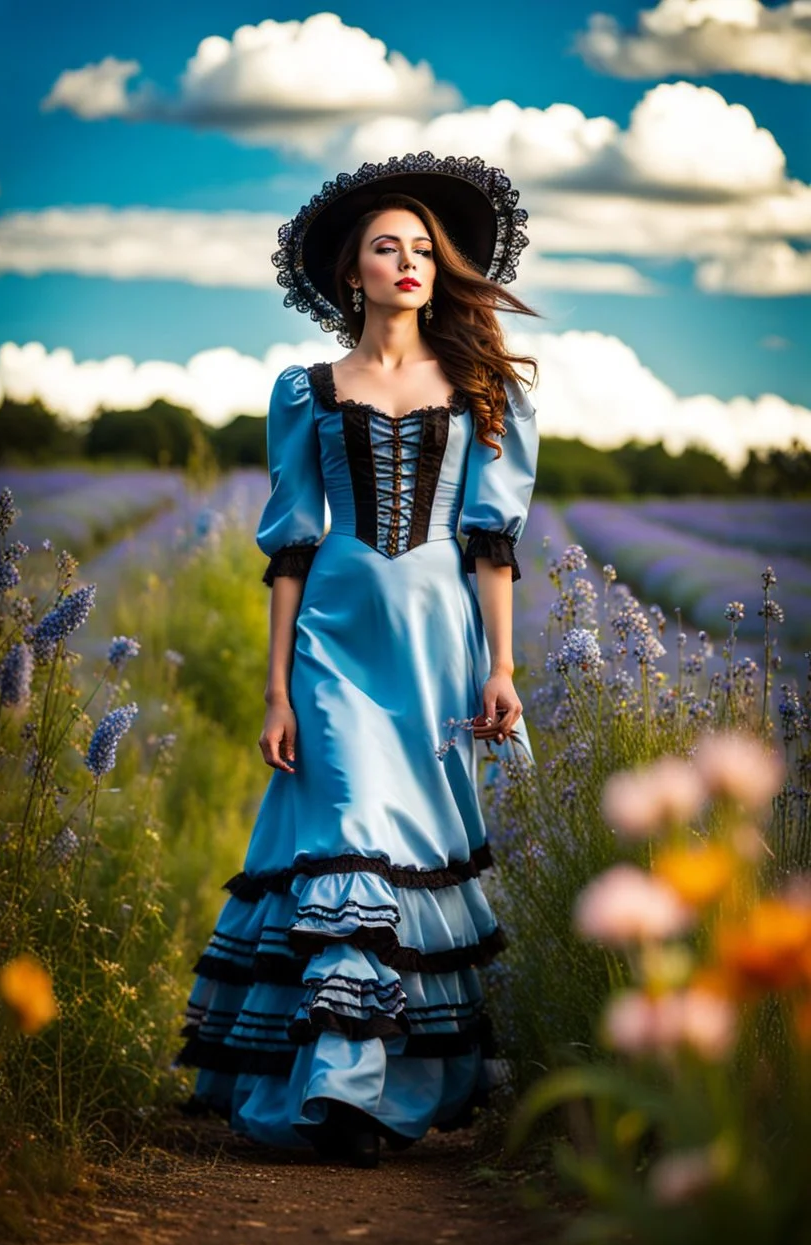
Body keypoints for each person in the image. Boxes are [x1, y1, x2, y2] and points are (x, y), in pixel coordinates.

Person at [173, 152, 541, 1168]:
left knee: (415, 844)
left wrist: (501, 668)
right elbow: (289, 545)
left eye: (424, 248)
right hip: (332, 637)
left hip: (435, 646)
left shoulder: (481, 389)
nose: (410, 261)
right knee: (350, 838)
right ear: (353, 273)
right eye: (389, 246)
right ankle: (339, 1087)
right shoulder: (305, 390)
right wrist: (275, 685)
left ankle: (387, 1088)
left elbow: (491, 544)